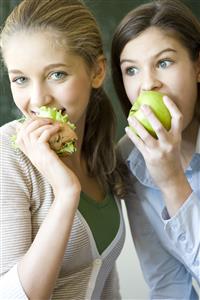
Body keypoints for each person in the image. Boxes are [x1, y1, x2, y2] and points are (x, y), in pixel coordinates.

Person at [0, 0, 127, 299]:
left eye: (56, 74)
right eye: (20, 79)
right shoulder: (8, 153)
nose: (38, 99)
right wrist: (66, 192)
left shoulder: (101, 152)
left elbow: (106, 281)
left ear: (96, 72)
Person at [111, 0, 200, 299]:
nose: (148, 84)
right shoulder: (131, 155)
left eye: (164, 63)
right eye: (131, 70)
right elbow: (167, 283)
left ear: (198, 67)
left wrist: (172, 181)